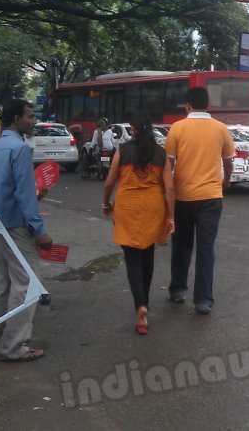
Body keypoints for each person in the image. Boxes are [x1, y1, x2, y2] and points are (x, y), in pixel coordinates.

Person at [0, 98, 52, 362]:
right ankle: (13, 346)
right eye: (30, 116)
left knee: (2, 283)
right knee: (27, 283)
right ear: (16, 119)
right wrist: (39, 229)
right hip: (17, 226)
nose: (33, 121)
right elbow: (24, 195)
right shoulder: (19, 149)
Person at [103, 113, 175, 334]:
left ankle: (140, 306)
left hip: (128, 205)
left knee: (132, 257)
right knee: (148, 253)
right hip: (153, 207)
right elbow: (170, 188)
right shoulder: (160, 153)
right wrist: (171, 216)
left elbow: (109, 182)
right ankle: (146, 301)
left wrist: (106, 203)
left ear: (132, 129)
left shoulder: (123, 150)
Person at [165, 87, 235, 315]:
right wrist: (225, 182)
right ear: (208, 105)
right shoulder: (221, 129)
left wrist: (167, 191)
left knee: (181, 244)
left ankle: (178, 289)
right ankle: (203, 300)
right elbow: (228, 162)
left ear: (188, 105)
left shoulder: (177, 128)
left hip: (183, 197)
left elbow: (169, 166)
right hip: (211, 198)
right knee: (206, 248)